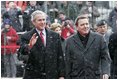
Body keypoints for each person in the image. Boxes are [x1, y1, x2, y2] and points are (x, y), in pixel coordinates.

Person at [19, 10, 65, 79]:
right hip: (33, 75)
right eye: (39, 20)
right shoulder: (26, 36)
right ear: (33, 22)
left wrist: (62, 75)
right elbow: (21, 54)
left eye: (44, 20)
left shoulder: (55, 35)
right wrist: (29, 46)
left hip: (51, 75)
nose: (43, 22)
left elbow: (60, 56)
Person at [65, 14, 111, 79]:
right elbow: (67, 62)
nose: (85, 26)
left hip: (95, 76)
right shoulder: (69, 41)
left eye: (87, 24)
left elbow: (105, 57)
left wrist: (105, 72)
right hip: (77, 76)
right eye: (82, 25)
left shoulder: (99, 39)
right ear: (76, 27)